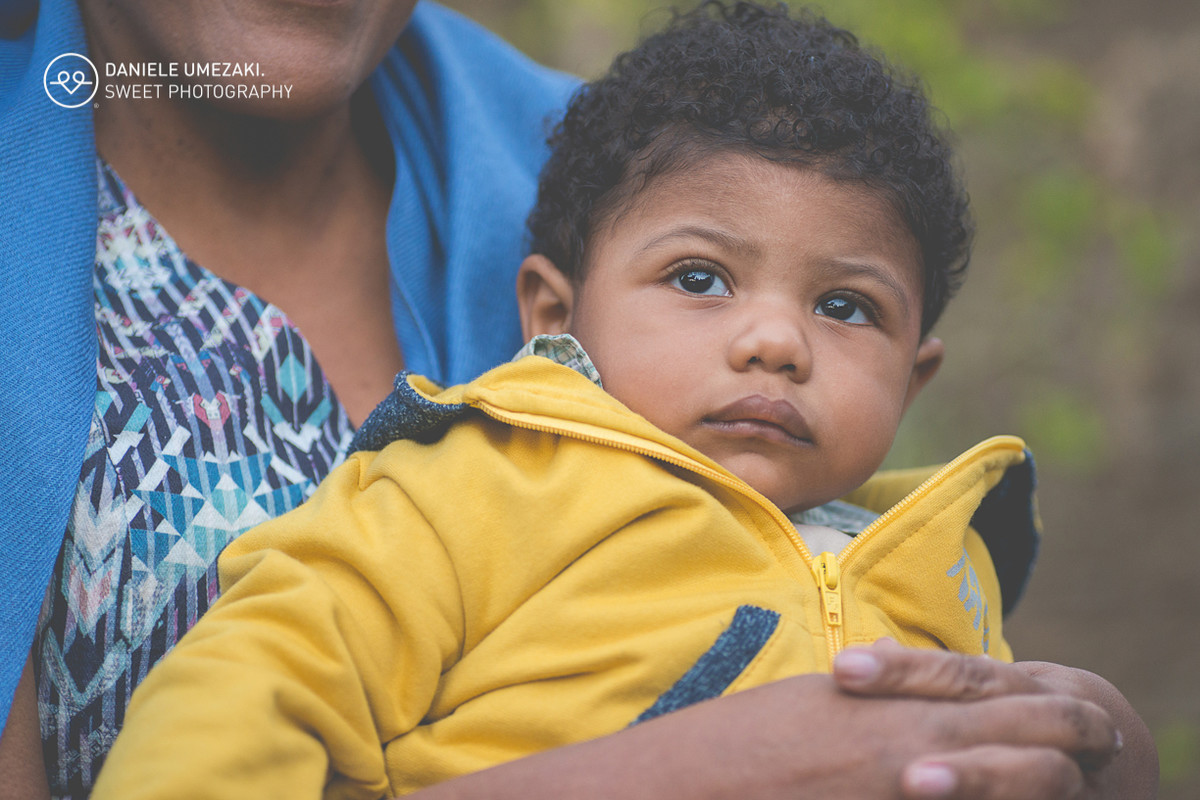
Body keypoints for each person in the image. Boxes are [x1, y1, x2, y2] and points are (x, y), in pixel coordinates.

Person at [0, 0, 1156, 797]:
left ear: (917, 375)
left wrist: (1085, 742)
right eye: (701, 282)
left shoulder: (917, 542)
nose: (772, 338)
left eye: (845, 308)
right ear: (554, 311)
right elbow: (244, 685)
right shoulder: (480, 480)